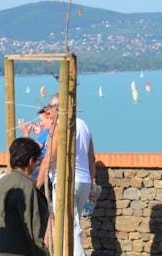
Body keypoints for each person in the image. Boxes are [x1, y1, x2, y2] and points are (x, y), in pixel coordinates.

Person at [35, 94, 95, 256]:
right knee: (67, 226)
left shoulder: (59, 127)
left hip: (66, 182)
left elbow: (50, 158)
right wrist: (92, 183)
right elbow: (91, 158)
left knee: (72, 227)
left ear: (57, 108)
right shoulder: (83, 125)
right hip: (84, 182)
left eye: (51, 108)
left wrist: (37, 185)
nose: (48, 113)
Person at [0, 137, 49, 256]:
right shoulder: (27, 187)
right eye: (37, 161)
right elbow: (33, 232)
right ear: (31, 161)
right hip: (18, 250)